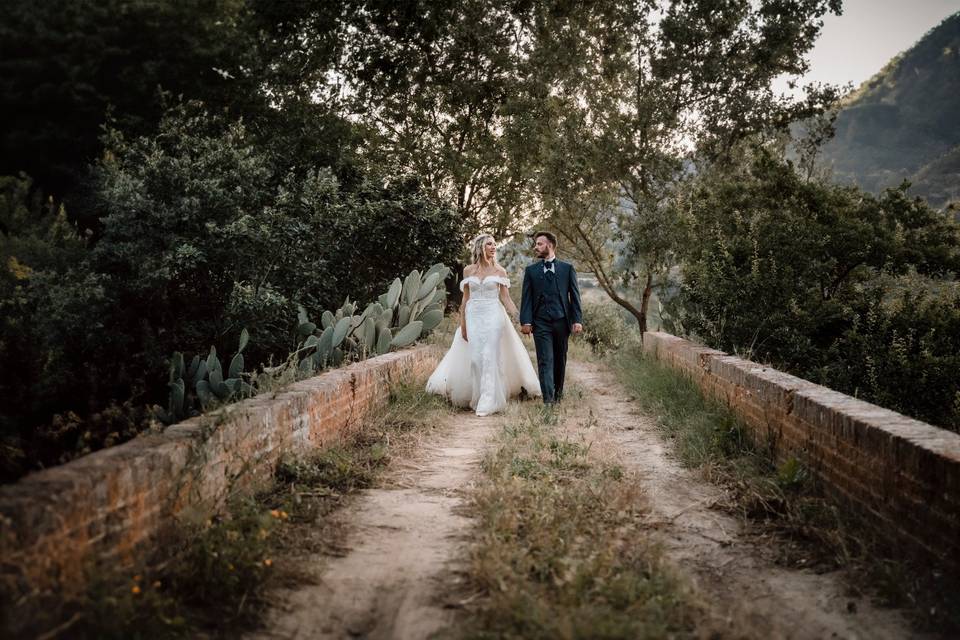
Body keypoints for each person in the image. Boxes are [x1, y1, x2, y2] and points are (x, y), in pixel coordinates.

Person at [426, 234, 541, 416]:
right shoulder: (468, 271)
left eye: (495, 244)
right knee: (476, 359)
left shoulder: (500, 271)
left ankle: (490, 401)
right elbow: (465, 299)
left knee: (489, 355)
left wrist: (522, 318)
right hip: (473, 316)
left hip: (494, 315)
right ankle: (478, 396)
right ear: (480, 247)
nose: (493, 247)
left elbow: (506, 299)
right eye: (489, 244)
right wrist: (462, 325)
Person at [519, 231, 583, 404]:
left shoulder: (567, 268)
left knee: (559, 359)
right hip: (540, 323)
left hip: (562, 321)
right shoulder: (531, 271)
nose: (536, 247)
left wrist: (577, 320)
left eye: (539, 244)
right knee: (545, 360)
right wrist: (526, 321)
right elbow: (526, 298)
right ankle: (548, 401)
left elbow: (575, 297)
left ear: (550, 245)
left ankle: (558, 395)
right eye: (536, 244)